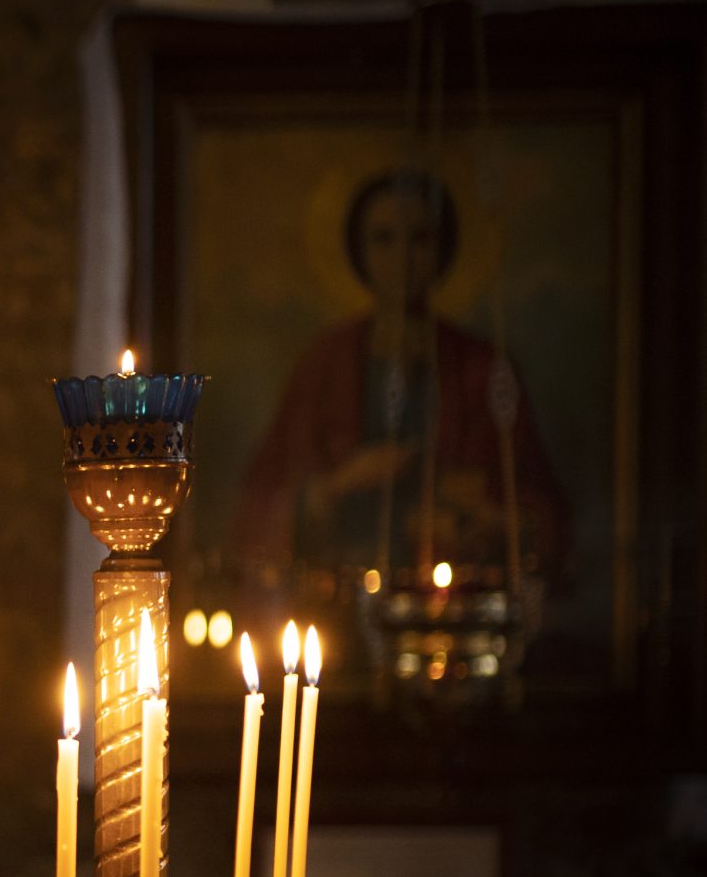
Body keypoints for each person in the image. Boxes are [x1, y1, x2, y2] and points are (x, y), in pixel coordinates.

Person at [230, 165, 569, 588]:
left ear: (443, 249)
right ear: (360, 250)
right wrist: (338, 485)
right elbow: (258, 508)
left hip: (454, 597)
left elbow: (542, 511)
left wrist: (490, 519)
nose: (404, 258)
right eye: (384, 239)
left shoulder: (483, 367)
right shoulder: (323, 364)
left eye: (420, 239)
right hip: (338, 594)